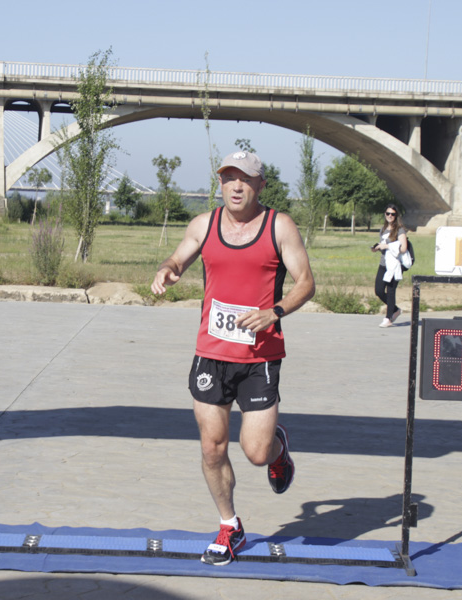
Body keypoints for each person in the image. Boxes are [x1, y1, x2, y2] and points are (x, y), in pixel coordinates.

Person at [151, 150, 316, 566]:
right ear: (220, 183)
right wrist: (168, 268)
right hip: (211, 352)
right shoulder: (203, 225)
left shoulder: (279, 226)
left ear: (261, 185)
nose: (236, 186)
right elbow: (179, 256)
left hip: (259, 356)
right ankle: (229, 526)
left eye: (245, 179)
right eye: (228, 178)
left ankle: (279, 448)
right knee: (212, 447)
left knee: (255, 452)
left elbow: (306, 283)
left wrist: (274, 311)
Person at [371, 204, 408, 328]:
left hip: (395, 265)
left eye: (392, 214)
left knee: (391, 291)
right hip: (384, 263)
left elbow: (403, 248)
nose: (390, 216)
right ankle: (396, 310)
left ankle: (388, 318)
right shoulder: (383, 229)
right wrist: (377, 248)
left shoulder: (400, 230)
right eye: (388, 213)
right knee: (379, 290)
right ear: (385, 214)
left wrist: (386, 246)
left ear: (396, 215)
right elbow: (384, 248)